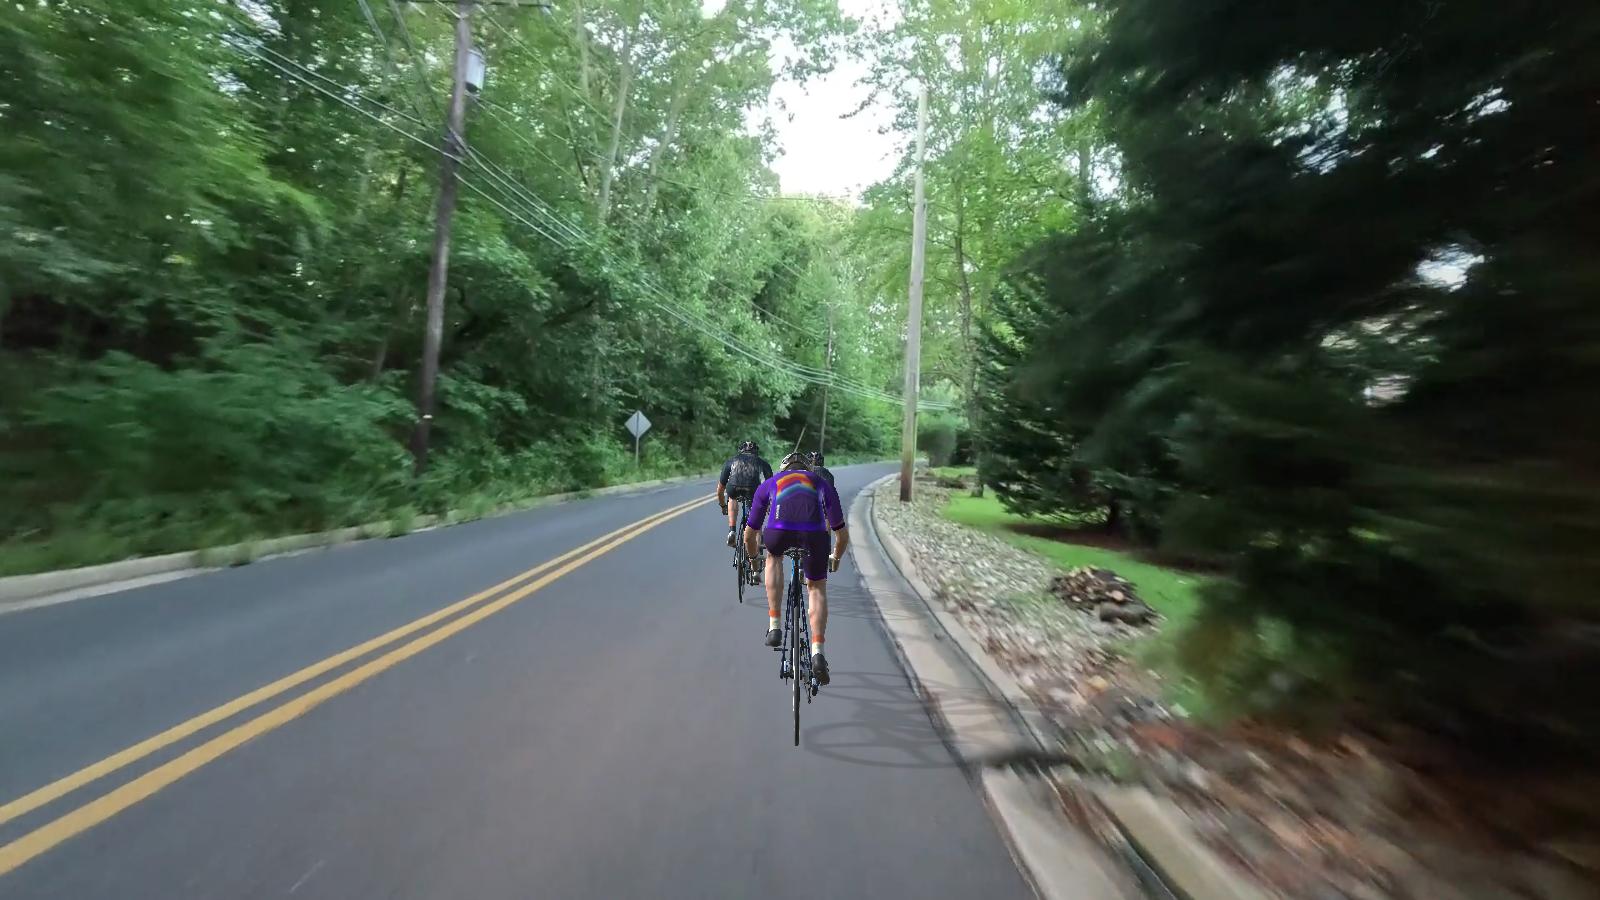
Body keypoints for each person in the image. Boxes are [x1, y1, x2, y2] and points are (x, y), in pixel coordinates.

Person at [744, 451, 849, 686]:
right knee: (816, 588)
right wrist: (836, 557)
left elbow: (750, 534)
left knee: (773, 558)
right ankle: (818, 651)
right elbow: (841, 534)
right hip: (814, 537)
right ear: (808, 468)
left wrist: (753, 560)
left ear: (783, 468)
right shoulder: (821, 483)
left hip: (778, 533)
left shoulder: (770, 483)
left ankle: (774, 626)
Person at [717, 440, 772, 547]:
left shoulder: (731, 461)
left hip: (733, 487)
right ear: (756, 452)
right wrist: (768, 504)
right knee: (757, 512)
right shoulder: (762, 462)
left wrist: (723, 506)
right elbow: (770, 485)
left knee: (732, 498)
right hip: (753, 489)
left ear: (740, 451)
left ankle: (732, 530)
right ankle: (758, 540)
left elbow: (720, 489)